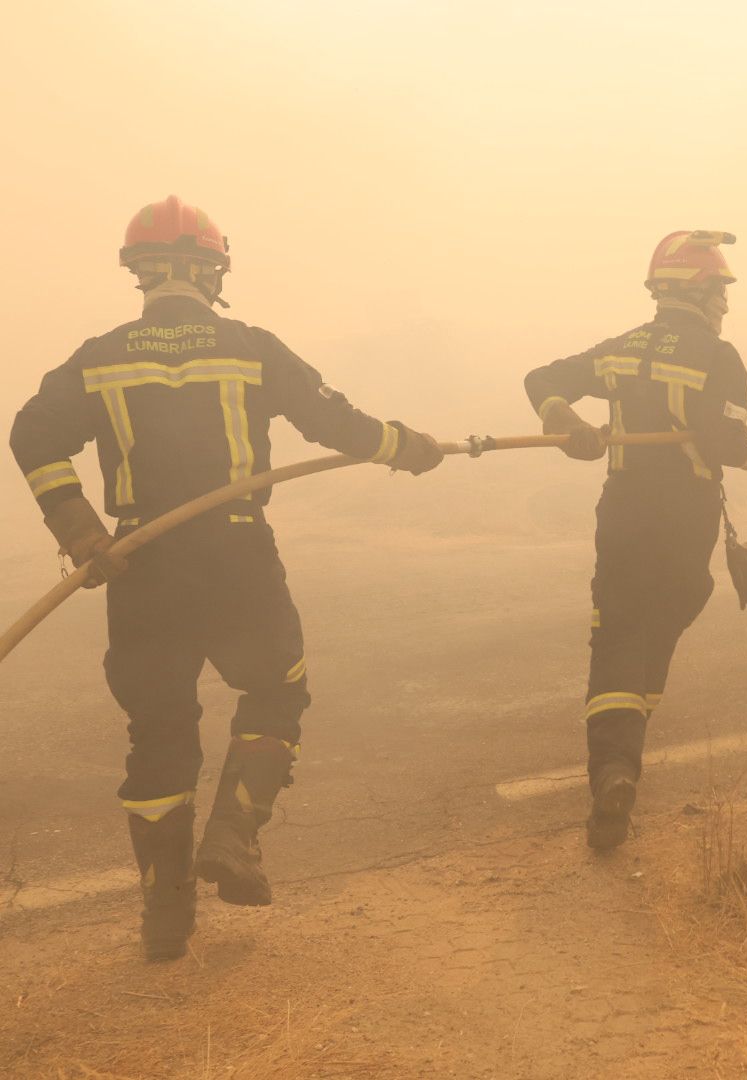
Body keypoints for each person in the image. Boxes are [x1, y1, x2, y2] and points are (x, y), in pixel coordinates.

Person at [8, 196, 445, 961]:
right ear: (214, 269)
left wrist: (80, 530)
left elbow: (30, 435)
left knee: (159, 731)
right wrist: (407, 446)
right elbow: (335, 424)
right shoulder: (249, 345)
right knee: (278, 688)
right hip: (237, 555)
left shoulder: (100, 355)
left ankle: (164, 916)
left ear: (139, 274)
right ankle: (236, 835)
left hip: (141, 566)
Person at [523, 231, 747, 851]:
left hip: (625, 508)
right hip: (687, 516)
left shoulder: (621, 349)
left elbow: (541, 377)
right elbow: (724, 447)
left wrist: (562, 418)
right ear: (695, 288)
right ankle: (622, 759)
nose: (725, 302)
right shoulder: (720, 357)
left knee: (619, 630)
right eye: (719, 288)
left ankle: (616, 767)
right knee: (664, 618)